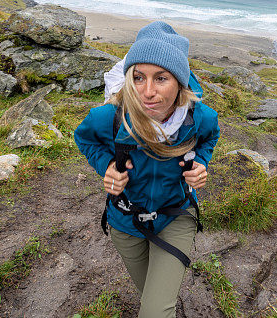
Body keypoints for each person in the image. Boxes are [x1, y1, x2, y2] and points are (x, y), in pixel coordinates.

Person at [74, 21, 220, 318]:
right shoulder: (111, 116)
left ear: (180, 82)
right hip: (125, 222)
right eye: (138, 77)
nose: (148, 92)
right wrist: (107, 167)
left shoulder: (201, 117)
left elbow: (209, 138)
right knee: (150, 298)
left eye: (161, 78)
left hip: (175, 216)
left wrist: (201, 164)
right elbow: (84, 138)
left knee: (154, 310)